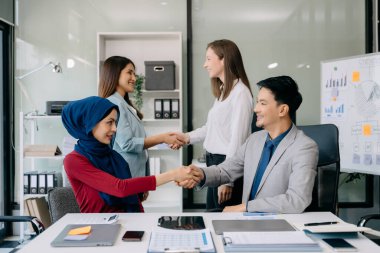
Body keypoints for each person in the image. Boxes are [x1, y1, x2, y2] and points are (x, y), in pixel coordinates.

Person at [180, 76, 318, 214]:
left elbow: (297, 200)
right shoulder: (254, 140)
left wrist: (245, 207)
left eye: (262, 103)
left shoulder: (304, 147)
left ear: (282, 110)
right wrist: (200, 174)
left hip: (279, 226)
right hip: (248, 223)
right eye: (257, 102)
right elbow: (226, 171)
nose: (255, 109)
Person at [62, 96, 199, 213]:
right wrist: (173, 174)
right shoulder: (73, 161)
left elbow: (133, 200)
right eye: (109, 123)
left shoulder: (114, 156)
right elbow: (120, 188)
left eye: (115, 122)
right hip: (97, 229)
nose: (115, 129)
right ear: (88, 124)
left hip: (127, 224)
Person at [174, 39, 253, 210]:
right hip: (214, 164)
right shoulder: (224, 91)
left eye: (209, 59)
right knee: (212, 215)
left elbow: (238, 139)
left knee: (220, 219)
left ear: (224, 59)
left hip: (226, 164)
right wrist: (186, 138)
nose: (205, 65)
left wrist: (228, 180)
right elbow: (211, 128)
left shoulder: (241, 93)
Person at [98, 56, 185, 201]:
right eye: (129, 73)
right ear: (115, 74)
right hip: (125, 178)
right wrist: (162, 138)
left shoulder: (124, 104)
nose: (134, 78)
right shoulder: (114, 103)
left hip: (134, 177)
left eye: (134, 74)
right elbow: (127, 144)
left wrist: (145, 181)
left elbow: (140, 150)